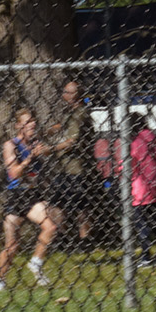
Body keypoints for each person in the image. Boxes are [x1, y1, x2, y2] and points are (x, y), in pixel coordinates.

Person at [0, 107, 56, 292]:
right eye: (27, 122)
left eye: (33, 121)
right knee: (12, 246)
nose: (32, 124)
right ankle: (0, 280)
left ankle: (36, 262)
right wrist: (30, 157)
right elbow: (14, 173)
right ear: (18, 125)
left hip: (32, 195)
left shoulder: (36, 143)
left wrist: (44, 152)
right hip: (16, 196)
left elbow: (42, 164)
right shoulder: (10, 145)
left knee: (50, 227)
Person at [46, 80, 97, 256]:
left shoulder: (80, 114)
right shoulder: (71, 112)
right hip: (64, 167)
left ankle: (84, 240)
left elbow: (72, 141)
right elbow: (64, 127)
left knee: (80, 206)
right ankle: (63, 238)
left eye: (67, 92)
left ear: (75, 95)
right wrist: (51, 130)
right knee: (56, 204)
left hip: (76, 167)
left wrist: (50, 149)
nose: (63, 95)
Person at [129, 111, 156, 266]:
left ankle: (146, 255)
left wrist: (119, 167)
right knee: (154, 219)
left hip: (140, 184)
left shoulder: (136, 141)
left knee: (140, 221)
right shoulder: (152, 137)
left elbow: (130, 162)